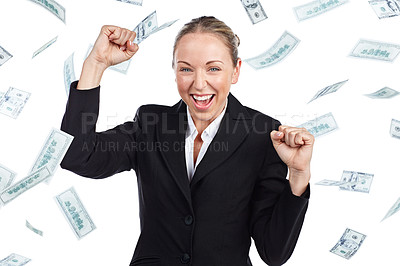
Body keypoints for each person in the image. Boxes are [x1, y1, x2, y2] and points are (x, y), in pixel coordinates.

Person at [60, 16, 315, 266]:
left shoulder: (264, 134)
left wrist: (298, 174)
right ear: (174, 71)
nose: (199, 83)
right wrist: (96, 64)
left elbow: (274, 253)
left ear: (235, 71)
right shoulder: (151, 124)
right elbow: (78, 156)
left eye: (213, 68)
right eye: (186, 69)